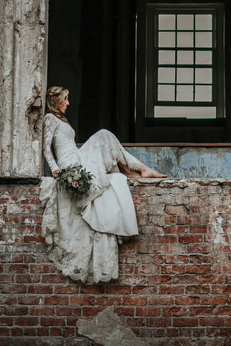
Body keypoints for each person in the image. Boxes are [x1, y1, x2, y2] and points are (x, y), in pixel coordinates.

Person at [40, 86, 166, 284]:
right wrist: (55, 169)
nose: (68, 103)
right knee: (104, 135)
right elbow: (46, 147)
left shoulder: (62, 120)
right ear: (55, 101)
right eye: (65, 99)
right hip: (70, 164)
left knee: (105, 138)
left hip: (76, 158)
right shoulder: (49, 118)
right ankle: (139, 169)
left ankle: (137, 170)